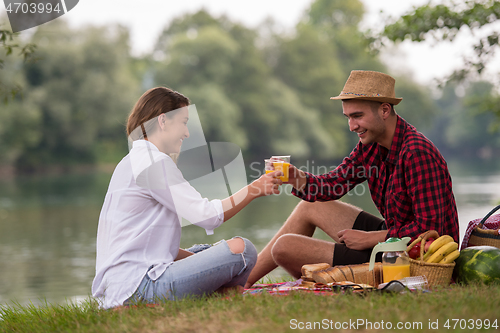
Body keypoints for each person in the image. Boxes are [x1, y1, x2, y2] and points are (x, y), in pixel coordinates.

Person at [245, 70, 460, 287]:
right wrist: (296, 177)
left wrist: (371, 238)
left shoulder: (417, 152)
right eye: (348, 117)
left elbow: (430, 230)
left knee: (285, 248)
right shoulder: (371, 146)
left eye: (357, 116)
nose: (352, 126)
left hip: (413, 259)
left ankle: (326, 284)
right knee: (308, 208)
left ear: (385, 110)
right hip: (392, 240)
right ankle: (241, 284)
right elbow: (332, 185)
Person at [92, 87, 282, 309]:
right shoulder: (154, 162)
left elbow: (146, 243)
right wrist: (255, 188)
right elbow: (208, 216)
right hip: (139, 288)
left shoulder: (130, 161)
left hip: (122, 286)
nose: (187, 133)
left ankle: (219, 292)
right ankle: (222, 292)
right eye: (183, 123)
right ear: (163, 121)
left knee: (205, 251)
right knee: (243, 250)